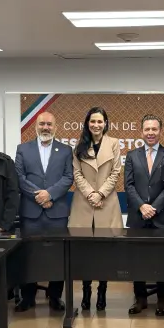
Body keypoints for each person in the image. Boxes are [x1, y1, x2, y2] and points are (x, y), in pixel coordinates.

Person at [14, 112, 73, 312]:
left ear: (55, 127)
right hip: (31, 213)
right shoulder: (23, 149)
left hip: (57, 213)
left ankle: (55, 297)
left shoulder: (65, 150)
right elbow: (19, 177)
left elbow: (68, 177)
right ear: (36, 126)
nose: (45, 127)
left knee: (57, 256)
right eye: (42, 124)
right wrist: (38, 196)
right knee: (28, 255)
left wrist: (50, 195)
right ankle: (27, 297)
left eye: (49, 124)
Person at [69, 107, 123, 311]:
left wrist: (100, 194)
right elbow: (77, 174)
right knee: (85, 250)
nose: (96, 125)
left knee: (104, 251)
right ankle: (86, 291)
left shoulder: (114, 143)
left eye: (100, 121)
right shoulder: (79, 144)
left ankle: (102, 291)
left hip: (106, 202)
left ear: (106, 123)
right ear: (87, 123)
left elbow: (116, 173)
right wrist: (91, 194)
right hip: (84, 202)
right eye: (93, 121)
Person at [124, 114, 164, 317]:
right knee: (137, 259)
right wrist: (141, 206)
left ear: (160, 131)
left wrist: (153, 207)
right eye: (147, 129)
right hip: (138, 217)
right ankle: (140, 298)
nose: (150, 133)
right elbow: (128, 185)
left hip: (162, 217)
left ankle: (162, 299)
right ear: (141, 132)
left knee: (162, 259)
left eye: (154, 129)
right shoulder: (132, 155)